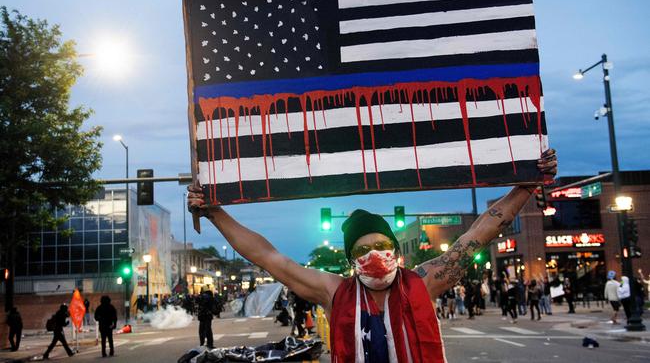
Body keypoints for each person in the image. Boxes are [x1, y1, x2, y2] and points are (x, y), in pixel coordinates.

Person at [187, 149, 557, 362]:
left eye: (382, 246)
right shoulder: (334, 292)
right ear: (351, 260)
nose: (375, 255)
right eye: (363, 250)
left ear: (397, 251)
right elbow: (268, 257)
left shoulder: (424, 282)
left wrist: (526, 184)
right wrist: (214, 212)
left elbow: (479, 234)